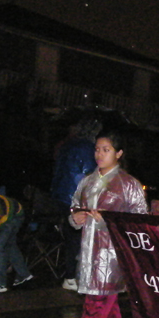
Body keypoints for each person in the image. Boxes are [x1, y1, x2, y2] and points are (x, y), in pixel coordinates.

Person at [48, 129, 148, 318]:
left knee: (95, 303)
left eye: (106, 150)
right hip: (89, 251)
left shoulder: (128, 184)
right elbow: (74, 208)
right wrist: (77, 217)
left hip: (113, 256)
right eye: (97, 149)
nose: (99, 154)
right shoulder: (88, 180)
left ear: (119, 153)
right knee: (105, 303)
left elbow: (140, 220)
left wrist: (108, 220)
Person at [50, 119, 100, 291]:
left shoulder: (67, 145)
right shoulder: (86, 149)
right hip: (75, 198)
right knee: (76, 238)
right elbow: (87, 175)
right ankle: (71, 276)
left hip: (61, 195)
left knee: (72, 236)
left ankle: (72, 275)